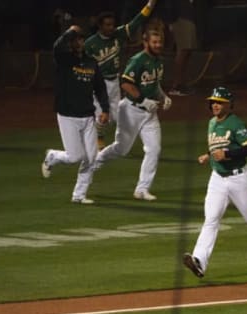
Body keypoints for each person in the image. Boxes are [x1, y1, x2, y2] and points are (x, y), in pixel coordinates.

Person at [183, 86, 247, 278]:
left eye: (219, 102)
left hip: (239, 178)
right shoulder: (211, 123)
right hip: (217, 179)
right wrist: (208, 156)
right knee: (211, 219)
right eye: (213, 101)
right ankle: (199, 261)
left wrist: (228, 154)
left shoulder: (236, 123)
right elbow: (219, 147)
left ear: (228, 104)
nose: (215, 105)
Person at [86, 27, 171, 202]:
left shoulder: (158, 61)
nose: (158, 45)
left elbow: (155, 84)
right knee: (121, 149)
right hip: (131, 110)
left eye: (160, 41)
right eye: (154, 42)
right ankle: (93, 163)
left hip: (150, 114)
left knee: (154, 149)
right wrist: (142, 100)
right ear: (145, 42)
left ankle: (142, 189)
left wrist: (164, 96)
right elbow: (125, 84)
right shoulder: (138, 60)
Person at [41, 25, 110, 204]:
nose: (80, 42)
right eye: (76, 39)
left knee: (91, 157)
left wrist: (105, 109)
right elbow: (56, 47)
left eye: (81, 39)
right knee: (75, 157)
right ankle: (52, 157)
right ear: (71, 42)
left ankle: (79, 195)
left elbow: (100, 88)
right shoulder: (64, 60)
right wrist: (69, 32)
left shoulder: (91, 63)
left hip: (87, 116)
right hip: (67, 115)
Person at [84, 0, 158, 150]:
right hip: (98, 83)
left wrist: (149, 5)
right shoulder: (91, 43)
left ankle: (119, 142)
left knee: (116, 117)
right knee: (102, 116)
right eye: (107, 25)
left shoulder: (118, 34)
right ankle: (97, 139)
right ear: (100, 26)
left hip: (114, 81)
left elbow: (137, 21)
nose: (111, 27)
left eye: (112, 24)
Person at [167, 0, 197, 96]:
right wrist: (171, 21)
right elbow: (170, 4)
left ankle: (183, 84)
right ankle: (176, 86)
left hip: (189, 18)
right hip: (180, 18)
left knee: (187, 51)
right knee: (183, 50)